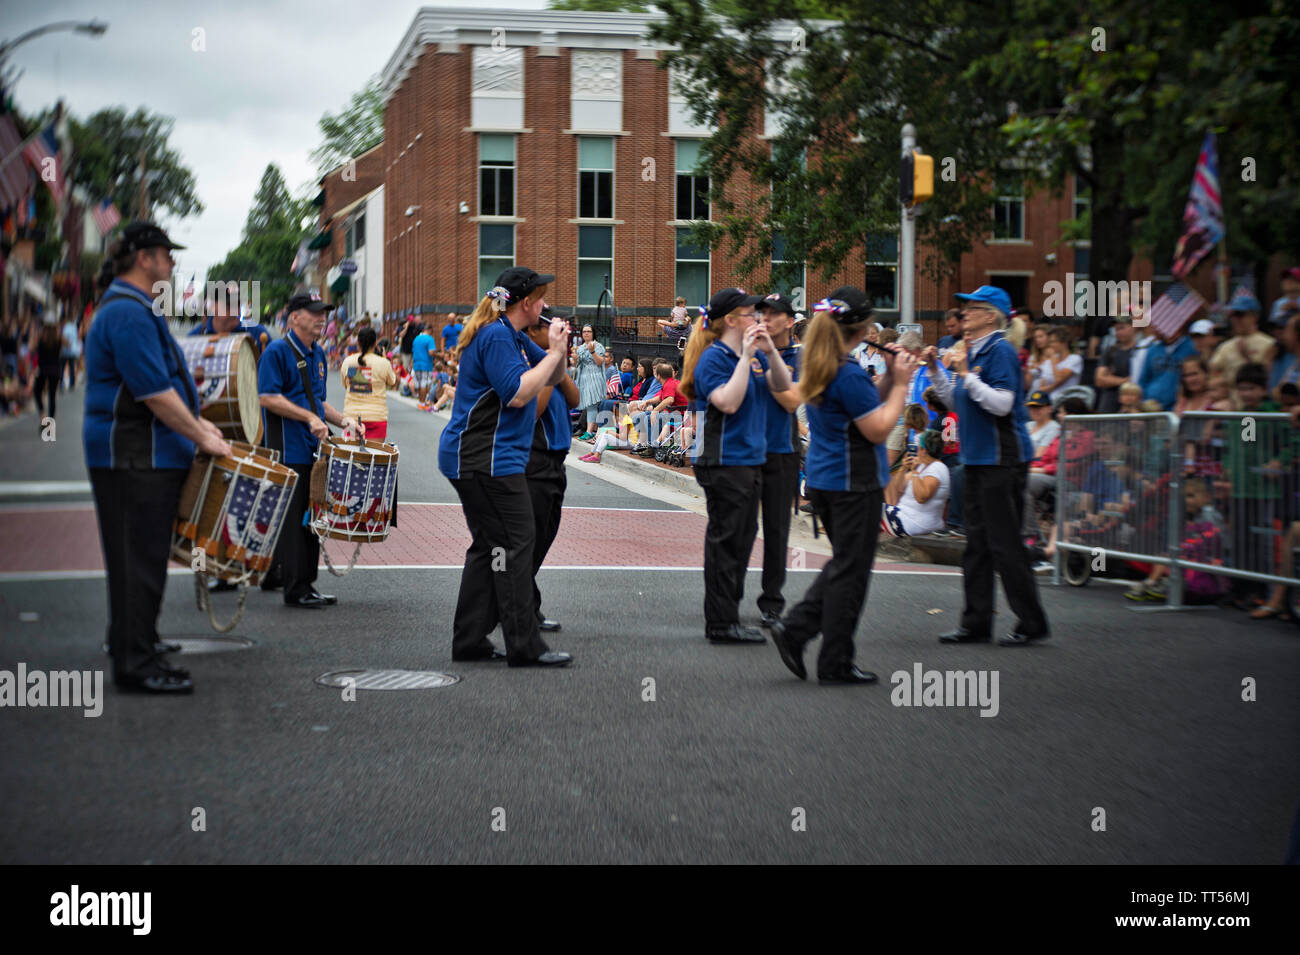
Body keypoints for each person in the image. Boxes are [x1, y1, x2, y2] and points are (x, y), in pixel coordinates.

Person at [84, 222, 232, 694]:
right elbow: (153, 391)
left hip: (142, 453)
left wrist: (200, 427)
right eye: (167, 255)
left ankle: (134, 639)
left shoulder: (135, 307)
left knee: (140, 558)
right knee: (137, 561)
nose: (171, 264)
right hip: (133, 455)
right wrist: (202, 436)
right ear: (145, 257)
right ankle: (136, 662)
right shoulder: (127, 311)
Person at [766, 286, 917, 684]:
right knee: (852, 571)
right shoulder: (847, 372)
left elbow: (861, 404)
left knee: (845, 565)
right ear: (864, 327)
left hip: (827, 479)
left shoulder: (824, 363)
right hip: (853, 482)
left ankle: (813, 642)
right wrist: (902, 385)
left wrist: (888, 380)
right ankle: (819, 649)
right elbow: (877, 426)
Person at [436, 267, 573, 668]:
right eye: (542, 298)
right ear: (527, 303)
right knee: (516, 544)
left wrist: (558, 350)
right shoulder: (497, 336)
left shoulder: (510, 336)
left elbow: (557, 376)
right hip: (485, 457)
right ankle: (524, 646)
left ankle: (470, 639)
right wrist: (551, 354)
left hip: (485, 457)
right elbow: (516, 394)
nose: (546, 305)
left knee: (491, 547)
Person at [924, 285, 1050, 646]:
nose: (963, 315)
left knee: (1004, 544)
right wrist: (936, 370)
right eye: (963, 309)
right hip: (979, 460)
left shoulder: (1001, 351)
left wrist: (966, 374)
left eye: (971, 309)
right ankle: (975, 622)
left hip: (1002, 460)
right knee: (976, 544)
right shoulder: (975, 353)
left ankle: (1031, 622)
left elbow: (1002, 404)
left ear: (991, 316)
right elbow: (956, 402)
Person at [680, 286, 792, 645]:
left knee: (741, 542)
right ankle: (720, 622)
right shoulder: (714, 358)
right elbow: (727, 402)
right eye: (749, 314)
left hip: (750, 461)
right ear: (730, 320)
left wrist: (769, 350)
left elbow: (782, 384)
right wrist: (745, 358)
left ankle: (728, 616)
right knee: (726, 544)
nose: (756, 320)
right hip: (725, 461)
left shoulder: (756, 355)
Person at [258, 292, 360, 609]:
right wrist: (308, 417)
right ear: (294, 317)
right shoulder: (277, 351)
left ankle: (302, 582)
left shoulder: (317, 354)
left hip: (312, 450)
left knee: (311, 518)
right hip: (287, 449)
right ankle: (295, 587)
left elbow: (318, 402)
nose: (321, 317)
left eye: (323, 312)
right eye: (314, 312)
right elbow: (267, 397)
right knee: (295, 521)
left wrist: (344, 420)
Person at [525, 310, 581, 633]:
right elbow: (535, 410)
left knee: (545, 534)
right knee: (531, 540)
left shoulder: (550, 361)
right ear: (534, 333)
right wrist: (551, 360)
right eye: (549, 328)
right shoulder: (534, 365)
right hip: (536, 458)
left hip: (557, 461)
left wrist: (557, 361)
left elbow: (574, 398)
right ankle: (522, 607)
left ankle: (524, 604)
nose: (557, 332)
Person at [754, 292, 802, 629]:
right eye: (762, 314)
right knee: (740, 529)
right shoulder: (749, 352)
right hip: (747, 450)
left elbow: (791, 401)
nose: (765, 319)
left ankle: (772, 602)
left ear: (790, 321)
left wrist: (770, 365)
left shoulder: (802, 357)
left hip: (782, 452)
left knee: (776, 529)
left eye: (773, 314)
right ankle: (725, 600)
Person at [881, 428, 951, 538]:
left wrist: (914, 472)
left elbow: (921, 497)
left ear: (924, 450)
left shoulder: (937, 468)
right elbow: (898, 488)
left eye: (918, 447)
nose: (916, 450)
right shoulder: (923, 465)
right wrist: (903, 468)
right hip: (905, 517)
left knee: (868, 507)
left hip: (914, 523)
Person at [1209, 292, 1277, 397]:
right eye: (1232, 315)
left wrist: (1247, 357)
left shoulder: (1269, 344)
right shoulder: (1225, 347)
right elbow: (1212, 374)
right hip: (1231, 404)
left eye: (1240, 315)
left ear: (1254, 316)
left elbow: (1268, 377)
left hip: (1257, 405)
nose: (1235, 320)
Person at [340, 326, 397, 441]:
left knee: (351, 456)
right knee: (374, 456)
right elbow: (392, 382)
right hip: (376, 417)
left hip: (351, 416)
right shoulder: (383, 363)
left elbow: (346, 385)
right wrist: (385, 358)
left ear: (358, 342)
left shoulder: (348, 362)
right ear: (375, 342)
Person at [1138, 319, 1198, 411]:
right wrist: (1143, 400)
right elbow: (1144, 378)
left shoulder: (1191, 347)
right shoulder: (1153, 349)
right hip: (1151, 405)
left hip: (1177, 406)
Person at [188, 292, 273, 357]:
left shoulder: (258, 334)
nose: (236, 311)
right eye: (229, 305)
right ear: (213, 306)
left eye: (237, 304)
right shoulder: (194, 338)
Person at [1093, 312, 1136, 413]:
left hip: (1133, 403)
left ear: (1133, 327)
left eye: (1122, 328)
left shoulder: (1140, 350)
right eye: (1116, 329)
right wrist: (1126, 381)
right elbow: (1099, 379)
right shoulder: (1110, 351)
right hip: (1110, 402)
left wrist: (1111, 379)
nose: (1118, 332)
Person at [572, 325, 607, 440]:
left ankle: (589, 431)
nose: (586, 333)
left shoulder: (598, 346)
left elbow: (599, 362)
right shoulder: (580, 348)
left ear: (593, 333)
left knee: (592, 404)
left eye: (589, 331)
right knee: (588, 405)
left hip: (595, 376)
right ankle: (591, 430)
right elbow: (577, 365)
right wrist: (575, 358)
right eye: (584, 331)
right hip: (583, 377)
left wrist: (592, 351)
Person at [31, 317, 62, 430]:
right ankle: (50, 424)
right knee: (52, 396)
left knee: (37, 391)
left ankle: (43, 416)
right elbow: (65, 347)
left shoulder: (41, 338)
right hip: (55, 370)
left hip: (43, 370)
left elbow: (31, 347)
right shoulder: (58, 339)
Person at [410, 323, 438, 410]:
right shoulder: (430, 338)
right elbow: (431, 352)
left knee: (419, 384)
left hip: (416, 364)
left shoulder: (416, 338)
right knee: (424, 384)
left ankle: (420, 402)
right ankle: (422, 403)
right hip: (426, 364)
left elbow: (413, 352)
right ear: (430, 330)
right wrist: (439, 355)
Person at [59, 313, 81, 390]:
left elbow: (63, 337)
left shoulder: (66, 327)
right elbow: (77, 338)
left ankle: (61, 383)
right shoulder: (74, 327)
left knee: (62, 367)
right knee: (71, 367)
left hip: (65, 350)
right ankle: (72, 383)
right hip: (72, 351)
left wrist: (66, 345)